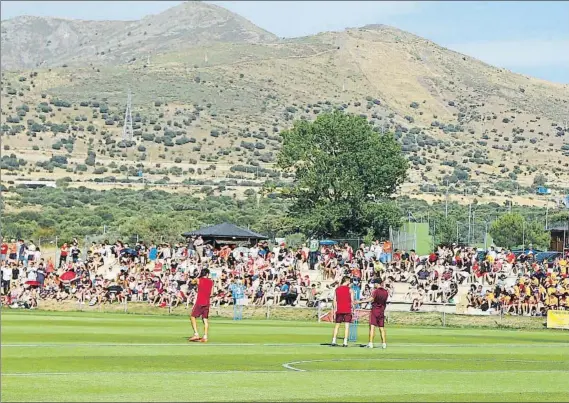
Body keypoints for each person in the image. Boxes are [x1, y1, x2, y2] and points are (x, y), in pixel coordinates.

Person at [357, 278, 389, 349]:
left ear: (377, 283)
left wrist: (360, 302)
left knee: (372, 327)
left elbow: (371, 299)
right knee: (381, 328)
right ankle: (384, 344)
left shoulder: (376, 291)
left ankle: (370, 343)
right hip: (381, 311)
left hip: (375, 310)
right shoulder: (386, 292)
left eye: (374, 283)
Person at [188, 268, 214, 343]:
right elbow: (211, 294)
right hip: (207, 302)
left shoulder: (199, 280)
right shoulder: (211, 282)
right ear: (207, 274)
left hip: (200, 301)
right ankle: (205, 336)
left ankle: (196, 334)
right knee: (205, 319)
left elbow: (192, 282)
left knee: (192, 316)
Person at [331, 276, 354, 347]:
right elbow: (352, 301)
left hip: (339, 309)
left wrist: (334, 309)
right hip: (347, 309)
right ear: (347, 281)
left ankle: (334, 340)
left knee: (337, 325)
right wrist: (353, 309)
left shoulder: (337, 289)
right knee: (347, 326)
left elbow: (334, 301)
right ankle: (345, 342)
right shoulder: (350, 290)